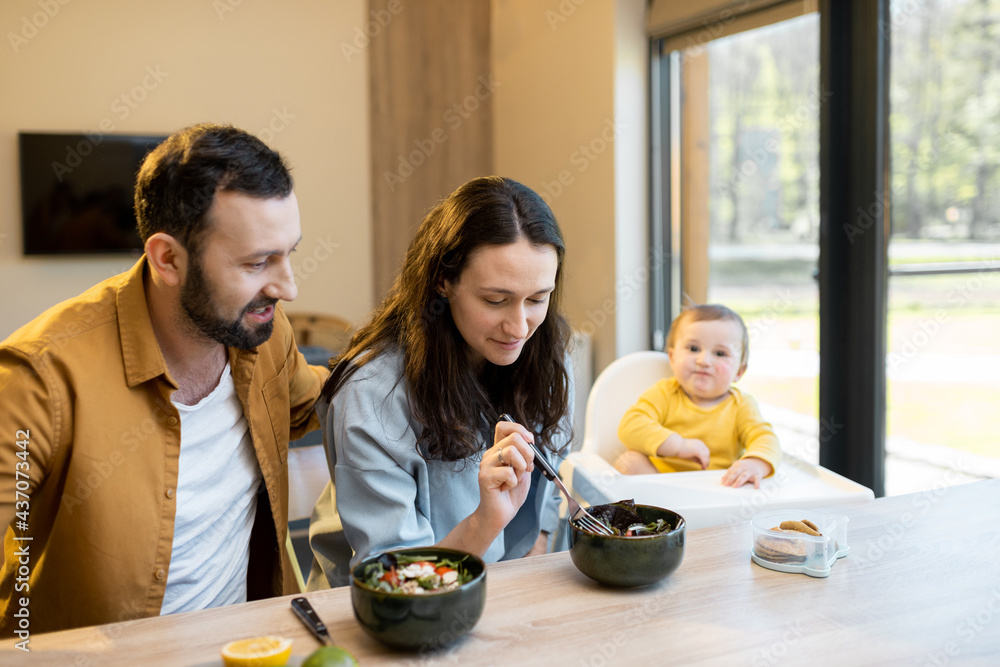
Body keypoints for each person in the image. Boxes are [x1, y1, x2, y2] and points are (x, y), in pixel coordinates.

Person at [0, 124, 328, 635]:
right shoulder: (39, 378)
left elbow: (315, 403)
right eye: (258, 262)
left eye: (289, 253)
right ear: (168, 259)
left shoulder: (264, 332)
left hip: (247, 648)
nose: (287, 287)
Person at [307, 176, 572, 589]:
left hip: (502, 592)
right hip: (386, 615)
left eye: (538, 299)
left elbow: (549, 492)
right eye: (495, 300)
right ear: (443, 282)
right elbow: (401, 583)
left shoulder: (545, 356)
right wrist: (485, 523)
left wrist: (526, 578)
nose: (520, 326)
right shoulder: (371, 395)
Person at [614, 304, 780, 488]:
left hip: (718, 490)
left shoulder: (741, 405)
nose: (704, 361)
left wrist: (755, 463)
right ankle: (661, 511)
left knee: (749, 480)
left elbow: (765, 437)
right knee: (629, 461)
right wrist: (679, 446)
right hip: (660, 485)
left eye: (720, 353)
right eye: (693, 349)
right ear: (672, 358)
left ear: (739, 371)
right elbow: (631, 425)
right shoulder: (665, 393)